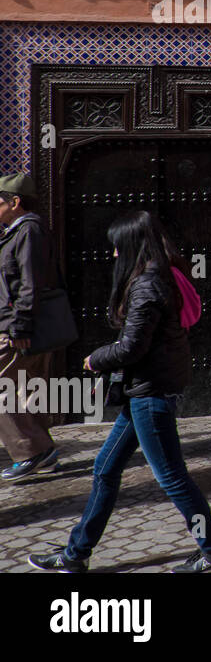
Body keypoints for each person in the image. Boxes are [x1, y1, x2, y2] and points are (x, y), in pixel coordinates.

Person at [28, 211, 211, 572]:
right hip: (143, 392)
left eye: (117, 248)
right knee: (105, 469)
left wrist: (96, 359)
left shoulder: (148, 285)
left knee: (171, 476)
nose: (113, 256)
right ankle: (76, 554)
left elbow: (132, 347)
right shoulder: (157, 277)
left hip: (151, 395)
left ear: (132, 246)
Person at [0, 173, 62, 482]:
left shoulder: (28, 231)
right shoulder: (20, 232)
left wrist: (20, 328)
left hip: (18, 328)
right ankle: (44, 454)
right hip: (23, 325)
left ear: (15, 202)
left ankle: (30, 452)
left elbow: (29, 284)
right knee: (26, 388)